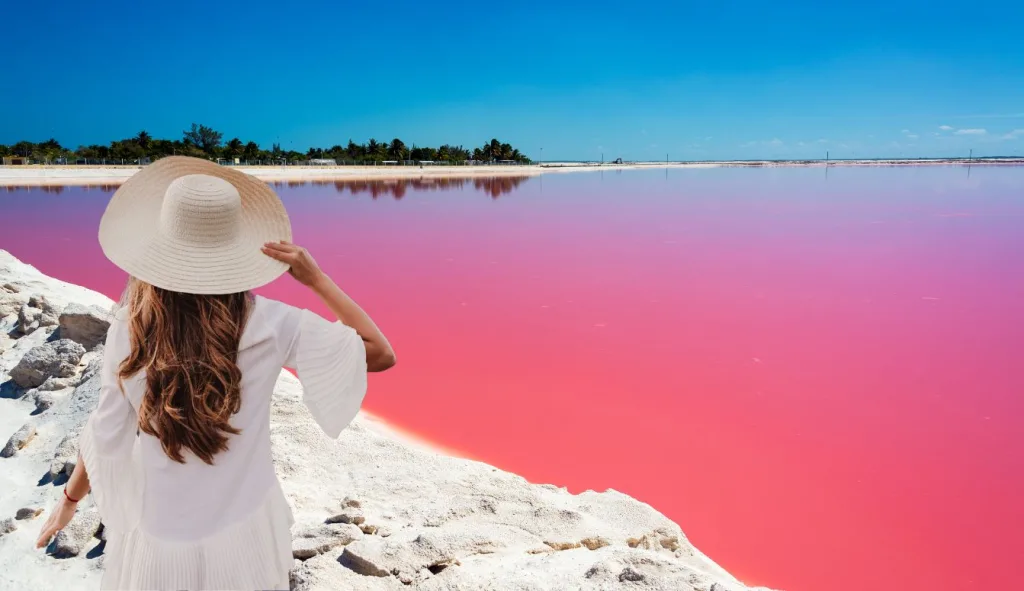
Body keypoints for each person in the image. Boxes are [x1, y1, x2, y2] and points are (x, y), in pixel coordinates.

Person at [33, 156, 395, 590]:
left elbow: (106, 432)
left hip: (158, 533)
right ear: (237, 251)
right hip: (245, 527)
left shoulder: (131, 330)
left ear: (158, 250)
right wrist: (317, 279)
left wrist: (69, 501)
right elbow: (379, 353)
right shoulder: (274, 324)